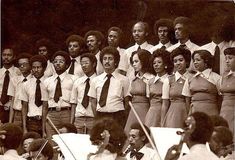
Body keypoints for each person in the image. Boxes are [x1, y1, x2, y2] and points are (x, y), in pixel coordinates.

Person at [88, 46, 130, 128]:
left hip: (117, 115)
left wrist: (122, 117)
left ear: (115, 61)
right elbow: (93, 101)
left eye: (110, 59)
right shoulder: (95, 80)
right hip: (101, 115)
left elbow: (127, 101)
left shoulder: (124, 80)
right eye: (104, 59)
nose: (107, 61)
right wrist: (97, 117)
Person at [43, 51, 74, 137]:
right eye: (55, 61)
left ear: (67, 65)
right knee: (52, 141)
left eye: (61, 61)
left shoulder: (74, 79)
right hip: (51, 113)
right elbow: (45, 105)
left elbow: (75, 102)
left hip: (66, 112)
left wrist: (72, 120)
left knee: (67, 140)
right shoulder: (47, 81)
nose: (58, 63)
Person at [182, 50, 221, 116]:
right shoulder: (189, 79)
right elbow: (187, 99)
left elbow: (221, 98)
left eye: (198, 60)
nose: (195, 62)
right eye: (194, 60)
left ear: (206, 61)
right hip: (194, 113)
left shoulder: (216, 77)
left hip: (212, 113)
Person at [161, 47, 193, 128]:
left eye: (181, 60)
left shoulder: (193, 78)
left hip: (190, 113)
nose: (178, 63)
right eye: (175, 61)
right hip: (174, 115)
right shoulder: (168, 80)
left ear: (187, 61)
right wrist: (162, 122)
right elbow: (165, 104)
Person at [125, 49, 154, 133]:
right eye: (133, 62)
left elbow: (151, 100)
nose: (134, 64)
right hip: (133, 111)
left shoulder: (150, 78)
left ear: (143, 61)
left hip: (145, 110)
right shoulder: (133, 79)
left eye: (136, 61)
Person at [19, 55, 48, 136]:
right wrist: (24, 128)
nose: (36, 70)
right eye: (34, 67)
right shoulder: (26, 84)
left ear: (44, 68)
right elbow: (24, 107)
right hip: (31, 121)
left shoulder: (49, 83)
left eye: (39, 67)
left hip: (46, 120)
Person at [145, 49, 173, 127]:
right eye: (154, 63)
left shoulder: (171, 80)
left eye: (159, 62)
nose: (156, 65)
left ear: (165, 64)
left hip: (167, 112)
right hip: (152, 114)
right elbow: (149, 100)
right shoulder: (150, 81)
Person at [70, 53, 97, 134]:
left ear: (94, 64)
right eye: (82, 63)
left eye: (86, 63)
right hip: (79, 119)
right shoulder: (77, 82)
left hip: (93, 118)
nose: (83, 66)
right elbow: (74, 103)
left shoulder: (99, 81)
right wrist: (71, 122)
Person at [10, 53, 33, 128]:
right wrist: (10, 122)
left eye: (24, 64)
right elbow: (12, 101)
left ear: (30, 65)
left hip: (31, 114)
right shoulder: (15, 80)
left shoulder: (35, 80)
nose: (22, 66)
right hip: (18, 115)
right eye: (20, 65)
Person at [0, 47, 20, 123]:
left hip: (13, 108)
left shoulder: (18, 72)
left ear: (14, 57)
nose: (6, 57)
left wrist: (11, 102)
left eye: (9, 55)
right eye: (4, 55)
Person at [219, 47, 235, 139]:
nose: (227, 61)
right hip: (224, 112)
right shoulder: (223, 76)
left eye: (230, 58)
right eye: (226, 58)